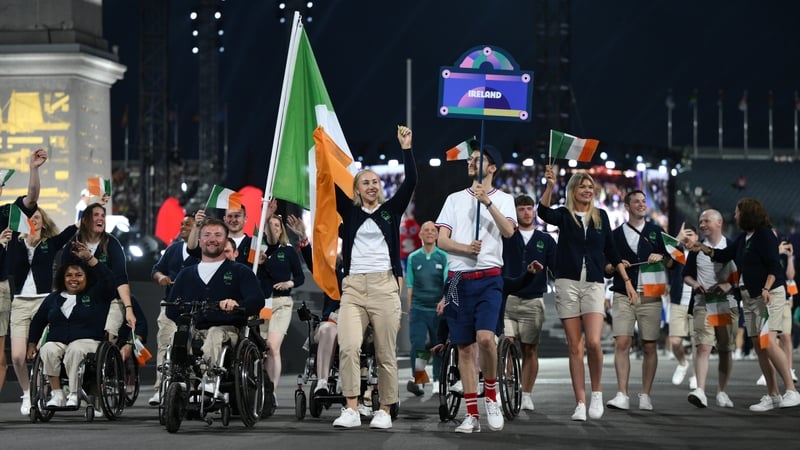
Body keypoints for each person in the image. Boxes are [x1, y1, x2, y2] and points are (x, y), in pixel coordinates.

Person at [332, 125, 416, 430]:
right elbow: (328, 181)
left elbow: (412, 181)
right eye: (364, 182)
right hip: (353, 286)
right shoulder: (350, 211)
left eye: (375, 182)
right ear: (356, 189)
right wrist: (323, 150)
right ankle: (351, 408)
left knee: (385, 353)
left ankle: (384, 409)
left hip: (383, 285)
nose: (371, 185)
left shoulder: (391, 211)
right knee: (349, 346)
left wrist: (406, 149)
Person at [537, 166, 637, 422]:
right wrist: (550, 185)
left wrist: (626, 281)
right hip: (567, 283)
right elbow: (543, 212)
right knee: (575, 346)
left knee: (593, 342)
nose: (587, 190)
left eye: (590, 187)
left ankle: (597, 394)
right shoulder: (563, 214)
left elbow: (612, 252)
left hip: (593, 283)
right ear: (573, 190)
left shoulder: (601, 216)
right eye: (582, 186)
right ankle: (580, 402)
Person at [435, 143, 515, 433]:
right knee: (464, 349)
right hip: (457, 280)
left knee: (485, 339)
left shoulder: (504, 199)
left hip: (490, 277)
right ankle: (472, 415)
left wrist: (488, 203)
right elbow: (443, 240)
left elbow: (508, 231)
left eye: (478, 159)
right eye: (470, 159)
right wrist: (465, 248)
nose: (471, 162)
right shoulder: (454, 199)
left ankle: (491, 394)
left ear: (492, 167)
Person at [691, 199, 800, 411]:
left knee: (768, 341)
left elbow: (773, 267)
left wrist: (766, 289)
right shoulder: (743, 238)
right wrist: (701, 247)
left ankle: (791, 391)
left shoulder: (765, 235)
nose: (735, 216)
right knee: (760, 347)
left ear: (748, 213)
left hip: (768, 294)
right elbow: (723, 255)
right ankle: (773, 394)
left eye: (737, 212)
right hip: (748, 297)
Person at [165, 218, 263, 384]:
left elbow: (257, 300)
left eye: (218, 235)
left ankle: (209, 379)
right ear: (199, 240)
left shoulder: (240, 271)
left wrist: (237, 305)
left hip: (227, 329)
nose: (212, 239)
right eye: (207, 235)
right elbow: (171, 309)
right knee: (180, 336)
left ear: (225, 241)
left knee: (215, 333)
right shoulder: (186, 274)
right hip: (194, 328)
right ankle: (180, 379)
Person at [26, 241, 117, 409]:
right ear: (63, 277)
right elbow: (38, 321)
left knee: (75, 348)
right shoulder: (54, 298)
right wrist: (32, 343)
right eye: (69, 275)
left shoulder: (97, 294)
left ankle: (74, 394)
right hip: (60, 341)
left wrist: (90, 259)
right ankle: (58, 394)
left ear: (86, 277)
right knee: (48, 348)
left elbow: (110, 281)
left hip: (88, 342)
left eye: (78, 275)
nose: (73, 279)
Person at [6, 207, 78, 414]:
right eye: (29, 217)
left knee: (40, 352)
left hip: (44, 302)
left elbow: (72, 229)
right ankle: (27, 392)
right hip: (20, 302)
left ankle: (43, 387)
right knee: (18, 357)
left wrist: (89, 205)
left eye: (37, 217)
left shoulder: (50, 243)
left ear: (43, 223)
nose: (33, 220)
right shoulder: (16, 244)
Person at [604, 190, 670, 412]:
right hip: (623, 293)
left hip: (650, 295)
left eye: (644, 201)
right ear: (627, 206)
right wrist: (615, 265)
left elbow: (673, 260)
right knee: (621, 343)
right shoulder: (614, 235)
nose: (641, 205)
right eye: (636, 202)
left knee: (649, 345)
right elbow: (606, 268)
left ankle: (645, 395)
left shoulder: (656, 231)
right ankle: (622, 394)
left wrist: (662, 256)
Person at [0, 147, 47, 414]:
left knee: (9, 356)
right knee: (13, 356)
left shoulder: (7, 214)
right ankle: (29, 392)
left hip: (7, 291)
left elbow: (31, 198)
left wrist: (34, 169)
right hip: (14, 296)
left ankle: (31, 392)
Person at [502, 194, 556, 412]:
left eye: (529, 208)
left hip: (533, 300)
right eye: (522, 208)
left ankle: (526, 394)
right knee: (505, 345)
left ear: (534, 211)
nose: (526, 212)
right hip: (507, 300)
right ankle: (508, 384)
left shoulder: (546, 240)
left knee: (530, 350)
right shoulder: (505, 236)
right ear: (514, 212)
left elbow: (557, 269)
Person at [682, 209, 739, 409]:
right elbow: (686, 274)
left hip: (725, 304)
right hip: (702, 304)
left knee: (725, 349)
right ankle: (700, 390)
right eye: (700, 221)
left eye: (706, 221)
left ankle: (722, 392)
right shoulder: (697, 249)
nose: (703, 224)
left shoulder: (731, 246)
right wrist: (694, 283)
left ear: (719, 222)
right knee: (703, 346)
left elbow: (740, 274)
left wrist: (728, 285)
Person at [60, 202, 136, 342]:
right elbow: (61, 279)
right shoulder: (73, 245)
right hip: (81, 300)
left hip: (109, 300)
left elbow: (121, 279)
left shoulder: (112, 244)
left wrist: (129, 309)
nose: (100, 218)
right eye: (96, 215)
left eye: (103, 216)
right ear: (85, 220)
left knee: (108, 337)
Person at [148, 213, 199, 406]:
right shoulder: (173, 249)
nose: (183, 226)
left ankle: (194, 387)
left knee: (191, 348)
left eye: (188, 224)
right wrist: (160, 277)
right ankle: (161, 388)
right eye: (182, 223)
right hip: (170, 306)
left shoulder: (203, 251)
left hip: (194, 309)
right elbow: (156, 270)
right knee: (165, 346)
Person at [258, 213, 305, 393]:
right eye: (270, 225)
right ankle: (259, 388)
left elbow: (299, 277)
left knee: (272, 347)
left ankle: (272, 392)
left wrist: (289, 283)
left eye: (277, 225)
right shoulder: (258, 250)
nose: (274, 228)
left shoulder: (288, 250)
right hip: (262, 304)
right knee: (261, 348)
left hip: (282, 303)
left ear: (282, 230)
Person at [405, 220, 448, 396]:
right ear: (420, 234)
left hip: (438, 310)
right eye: (426, 230)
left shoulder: (443, 256)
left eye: (433, 230)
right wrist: (410, 310)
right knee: (418, 344)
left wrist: (445, 301)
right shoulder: (413, 257)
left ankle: (438, 380)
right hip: (418, 308)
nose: (430, 232)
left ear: (437, 235)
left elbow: (447, 282)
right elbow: (410, 286)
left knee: (438, 345)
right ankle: (420, 380)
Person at [667, 225, 698, 390]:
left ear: (697, 237)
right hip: (678, 302)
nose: (687, 238)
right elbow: (667, 258)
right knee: (675, 341)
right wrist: (677, 239)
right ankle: (682, 363)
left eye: (690, 235)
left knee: (696, 342)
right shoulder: (678, 253)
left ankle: (695, 376)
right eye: (685, 235)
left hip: (696, 303)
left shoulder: (701, 252)